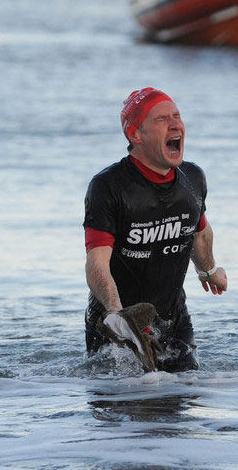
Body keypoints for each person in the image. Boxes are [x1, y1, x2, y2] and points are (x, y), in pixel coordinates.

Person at [83, 88, 228, 372]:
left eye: (177, 116)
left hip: (174, 322)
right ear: (135, 134)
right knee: (123, 397)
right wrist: (116, 312)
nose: (175, 125)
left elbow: (199, 233)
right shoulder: (108, 187)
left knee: (186, 393)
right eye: (162, 119)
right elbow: (96, 263)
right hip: (117, 324)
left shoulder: (193, 178)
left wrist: (209, 270)